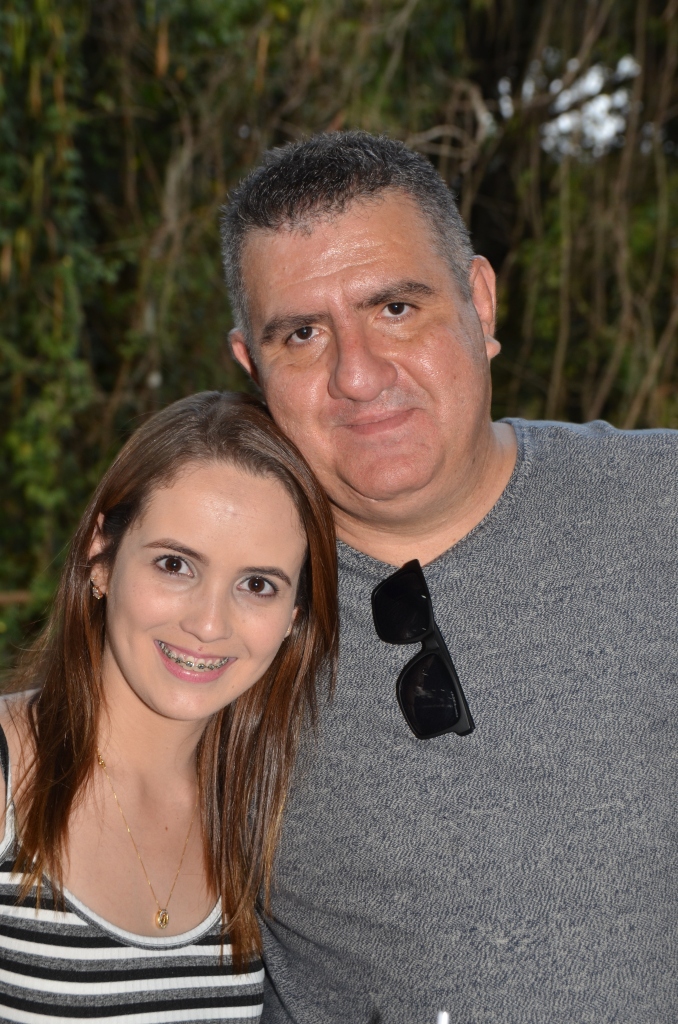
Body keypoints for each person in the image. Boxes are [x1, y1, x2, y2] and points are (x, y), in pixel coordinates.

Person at [220, 132, 678, 1023]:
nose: (358, 376)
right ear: (253, 367)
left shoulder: (661, 504)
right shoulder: (213, 623)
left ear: (480, 301)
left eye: (396, 308)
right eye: (303, 334)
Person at [0, 391, 338, 1022]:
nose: (209, 624)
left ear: (294, 617)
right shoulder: (8, 774)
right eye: (175, 564)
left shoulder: (254, 812)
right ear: (101, 557)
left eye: (257, 584)